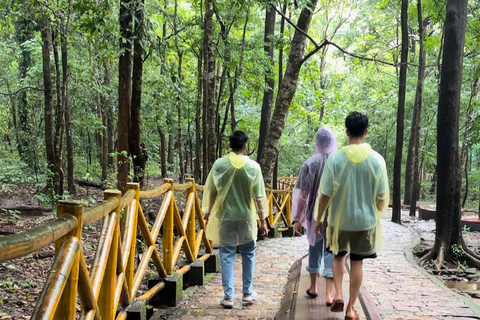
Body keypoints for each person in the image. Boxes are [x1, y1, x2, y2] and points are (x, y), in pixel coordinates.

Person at [314, 111, 389, 320]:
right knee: (357, 261)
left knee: (338, 256)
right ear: (366, 131)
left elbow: (325, 194)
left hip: (339, 221)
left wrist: (318, 219)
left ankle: (338, 294)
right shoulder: (377, 160)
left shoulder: (336, 159)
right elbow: (382, 196)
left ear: (346, 132)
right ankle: (350, 309)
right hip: (365, 222)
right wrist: (376, 211)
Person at [203, 131, 269, 309]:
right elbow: (259, 196)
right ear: (245, 146)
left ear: (230, 145)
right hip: (246, 218)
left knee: (226, 255)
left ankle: (229, 297)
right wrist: (262, 220)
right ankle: (247, 294)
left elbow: (211, 190)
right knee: (248, 254)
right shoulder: (253, 167)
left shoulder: (219, 164)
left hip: (225, 217)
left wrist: (208, 211)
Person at [292, 127, 337, 304]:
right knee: (331, 251)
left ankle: (314, 287)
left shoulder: (310, 163)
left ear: (317, 142)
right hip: (334, 215)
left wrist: (298, 218)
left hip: (314, 213)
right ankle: (330, 294)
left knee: (314, 248)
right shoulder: (338, 162)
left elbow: (303, 194)